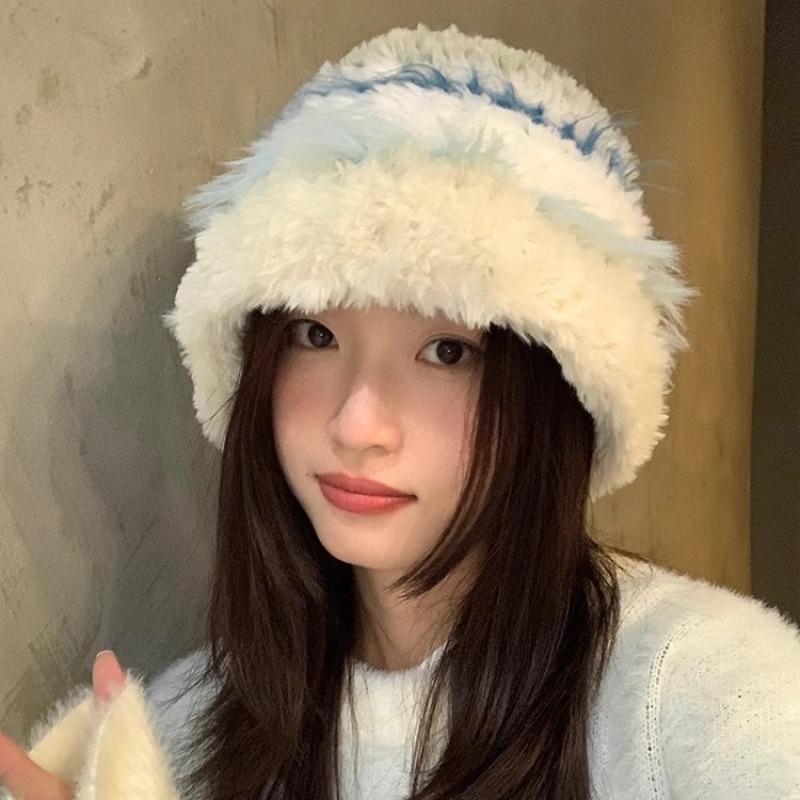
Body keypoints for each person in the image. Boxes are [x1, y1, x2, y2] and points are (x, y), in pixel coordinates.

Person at [1, 21, 799, 800]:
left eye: (447, 351)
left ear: (561, 394)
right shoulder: (178, 733)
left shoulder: (697, 688)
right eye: (316, 334)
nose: (357, 426)